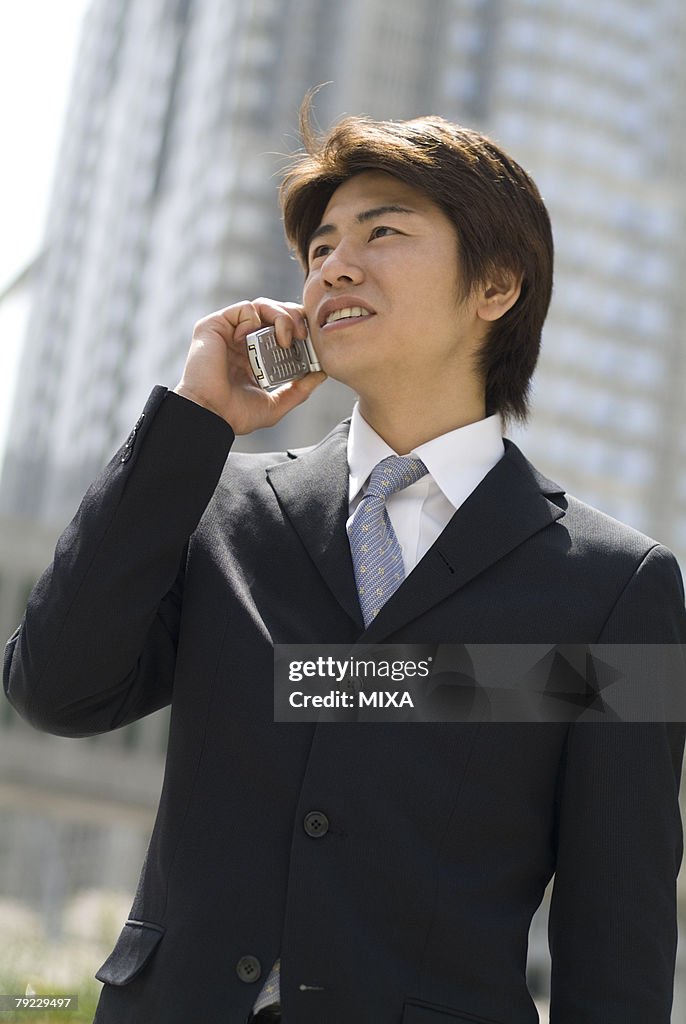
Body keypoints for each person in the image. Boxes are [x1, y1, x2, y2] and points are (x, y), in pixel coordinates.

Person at [4, 102, 686, 1024]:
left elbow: (619, 936)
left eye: (384, 232)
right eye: (320, 248)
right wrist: (193, 423)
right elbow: (57, 690)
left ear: (496, 286)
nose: (335, 266)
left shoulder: (613, 589)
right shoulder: (221, 507)